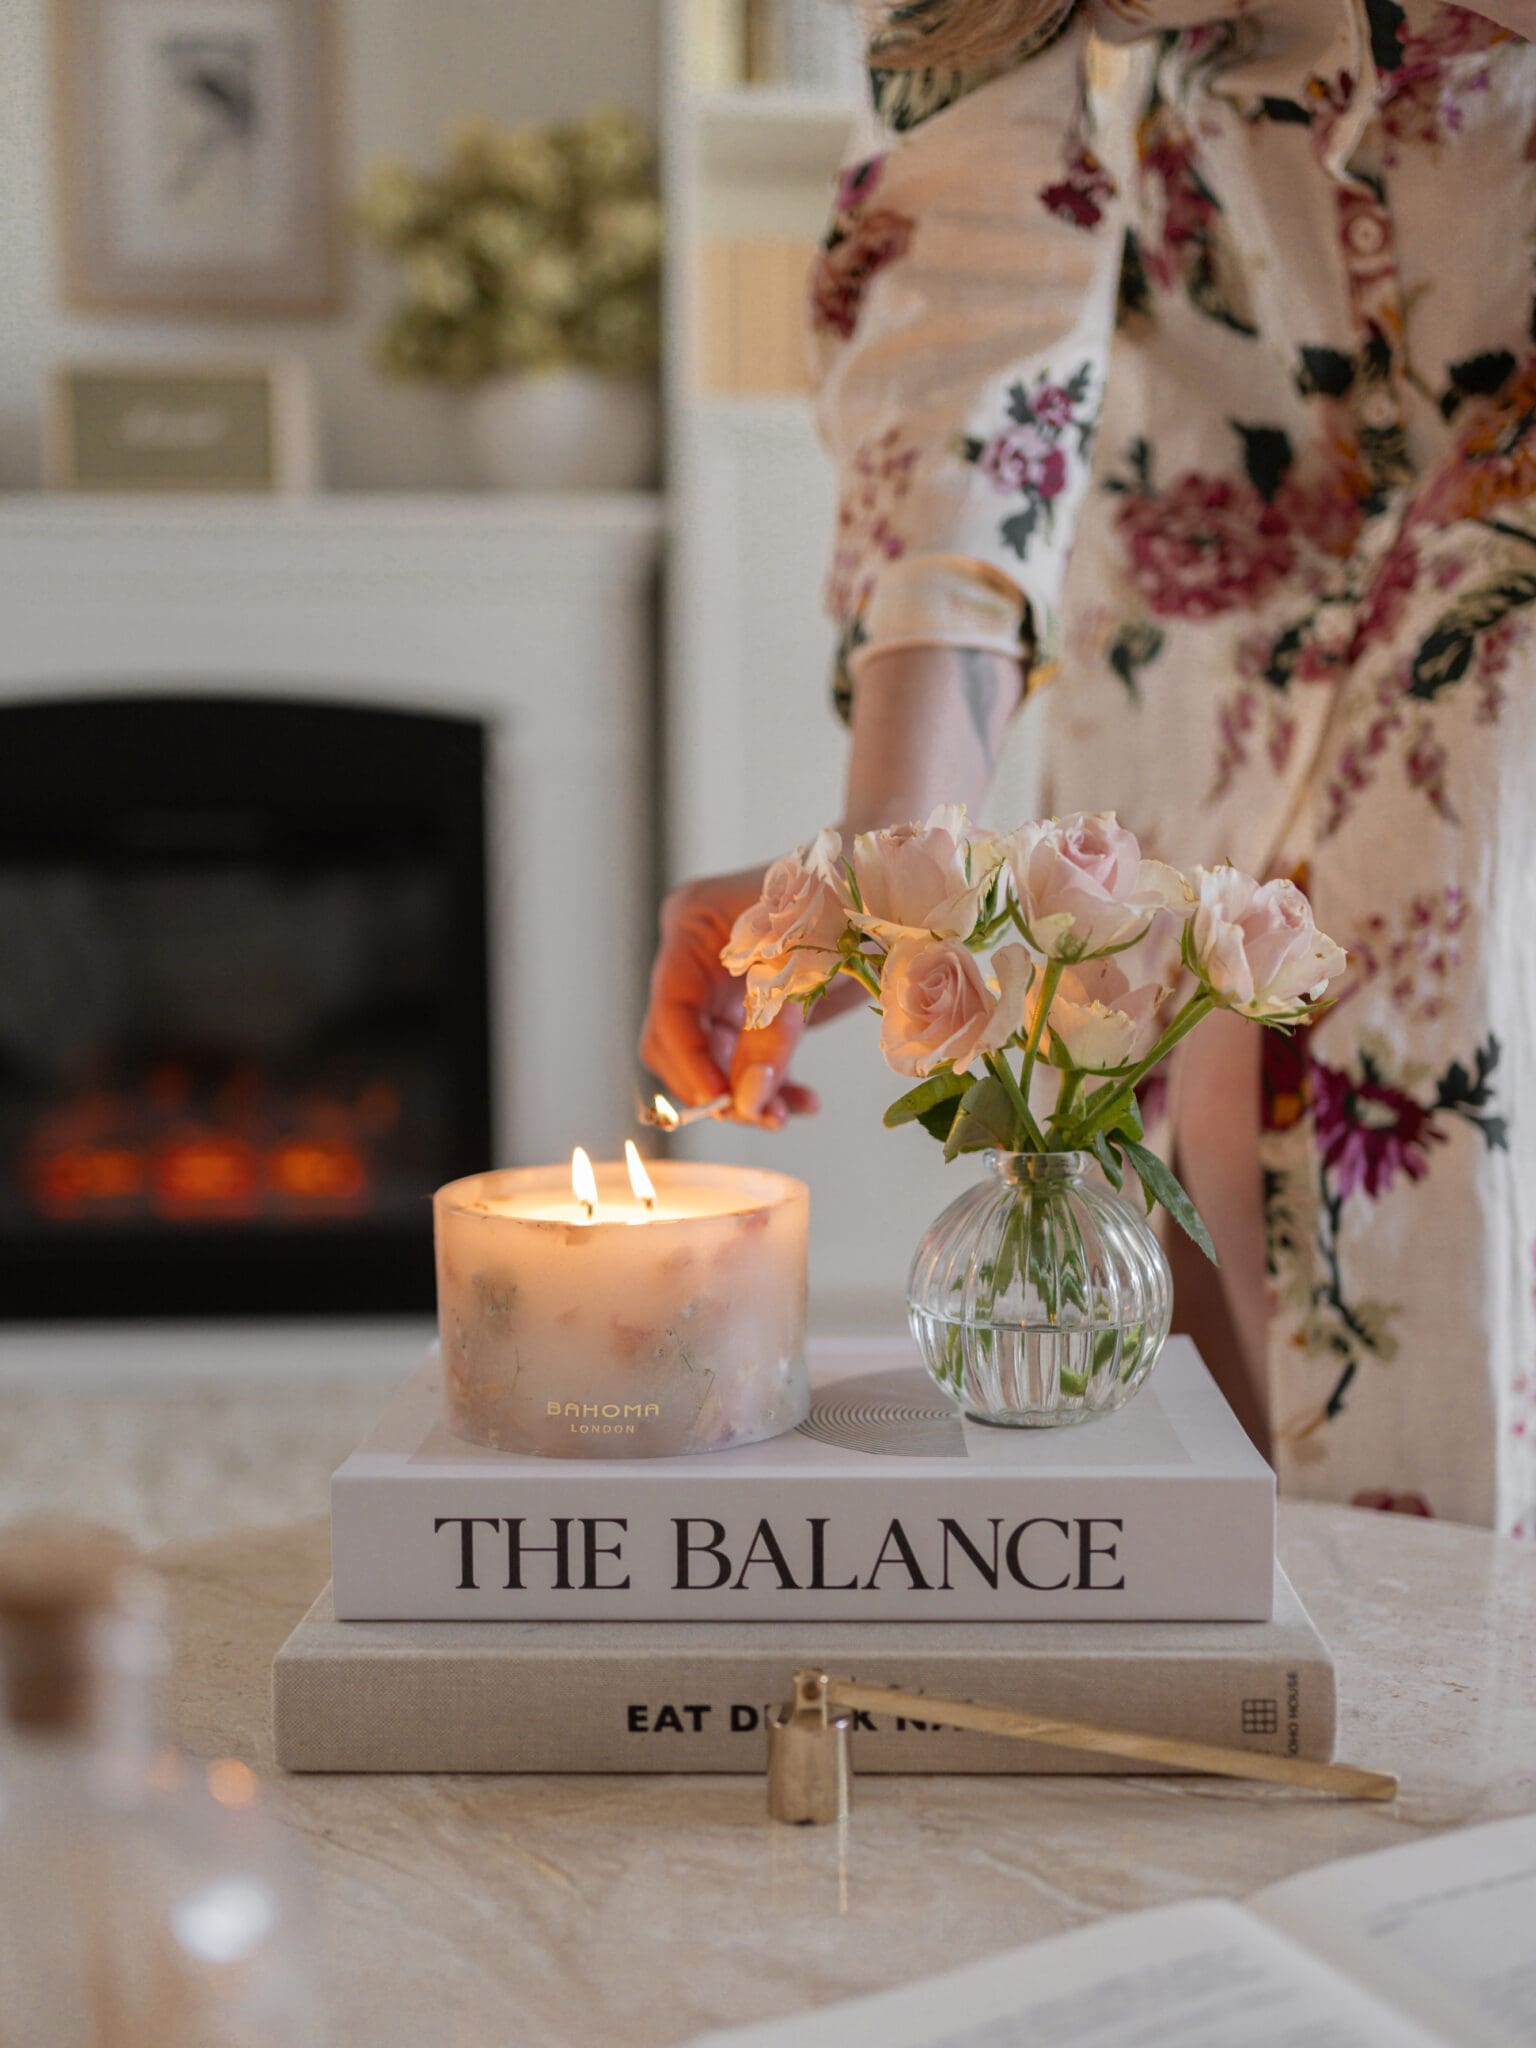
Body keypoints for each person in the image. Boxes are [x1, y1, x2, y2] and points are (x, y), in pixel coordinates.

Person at [641, 0, 1536, 1537]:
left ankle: (1455, 1711)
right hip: (1224, 428)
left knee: (1350, 1070)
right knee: (1133, 1063)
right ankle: (1269, 1682)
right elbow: (970, 245)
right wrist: (892, 857)